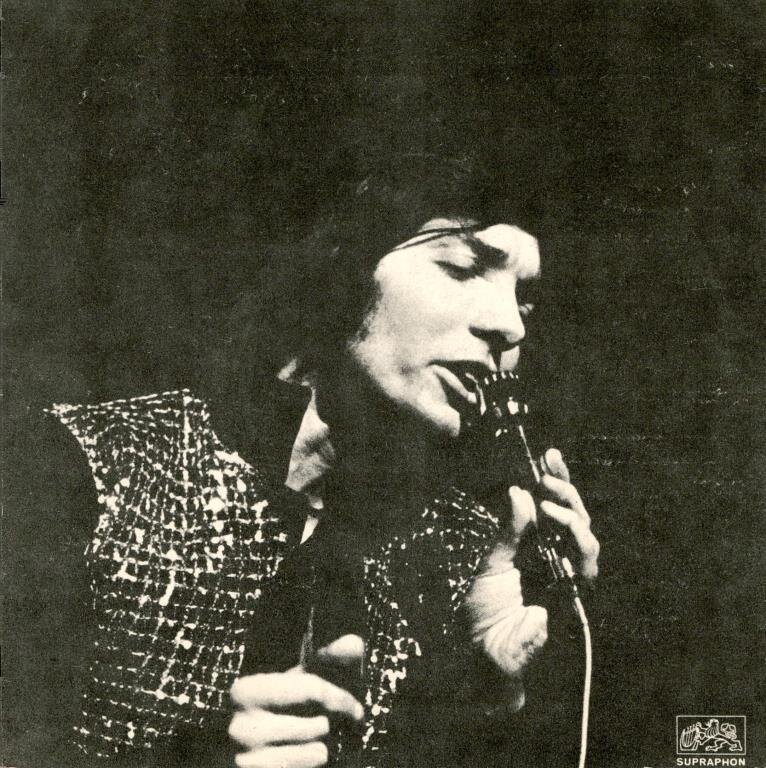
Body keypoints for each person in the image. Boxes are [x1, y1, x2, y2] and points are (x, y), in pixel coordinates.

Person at [8, 155, 599, 768]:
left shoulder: (467, 553)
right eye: (462, 267)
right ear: (339, 268)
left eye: (525, 303)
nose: (510, 327)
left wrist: (493, 687)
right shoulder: (79, 463)